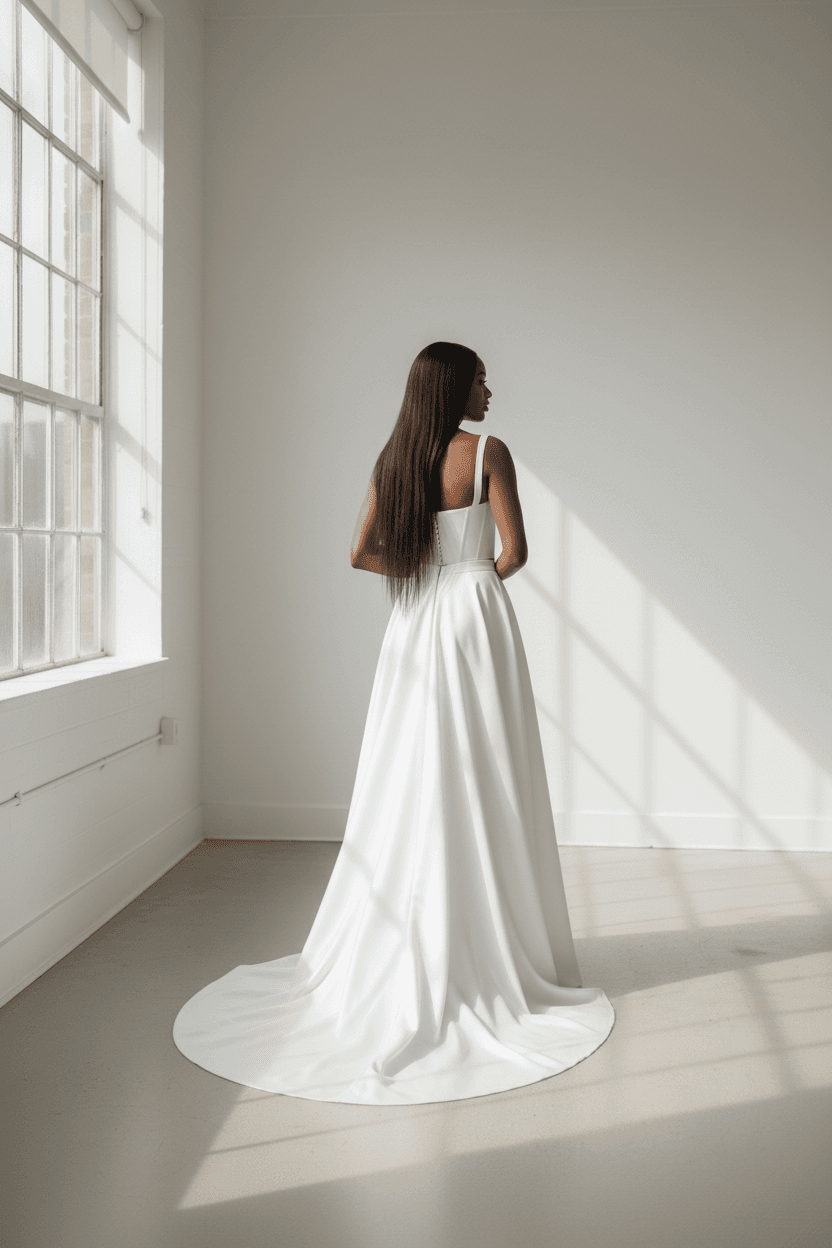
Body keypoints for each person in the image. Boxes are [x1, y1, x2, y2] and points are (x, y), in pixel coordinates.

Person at [173, 342, 614, 1104]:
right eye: (480, 377)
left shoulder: (396, 458)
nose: (490, 388)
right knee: (486, 770)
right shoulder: (488, 453)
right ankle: (491, 936)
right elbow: (516, 552)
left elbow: (359, 553)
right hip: (475, 621)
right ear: (453, 386)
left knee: (412, 770)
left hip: (415, 623)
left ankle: (411, 924)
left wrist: (426, 579)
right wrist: (469, 579)